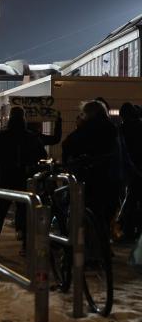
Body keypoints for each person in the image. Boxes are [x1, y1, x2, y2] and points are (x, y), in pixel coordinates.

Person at [0, 106, 47, 251]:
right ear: (23, 118)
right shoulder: (30, 137)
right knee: (25, 210)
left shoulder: (3, 136)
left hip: (6, 177)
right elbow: (42, 155)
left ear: (10, 118)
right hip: (24, 178)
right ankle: (26, 243)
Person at [62, 100, 119, 234]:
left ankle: (79, 246)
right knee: (104, 214)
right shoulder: (111, 127)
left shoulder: (87, 128)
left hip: (90, 176)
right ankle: (104, 246)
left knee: (85, 211)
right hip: (110, 177)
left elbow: (67, 144)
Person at [119, 102, 142, 240]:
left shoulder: (122, 129)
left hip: (128, 170)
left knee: (129, 201)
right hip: (140, 168)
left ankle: (127, 230)